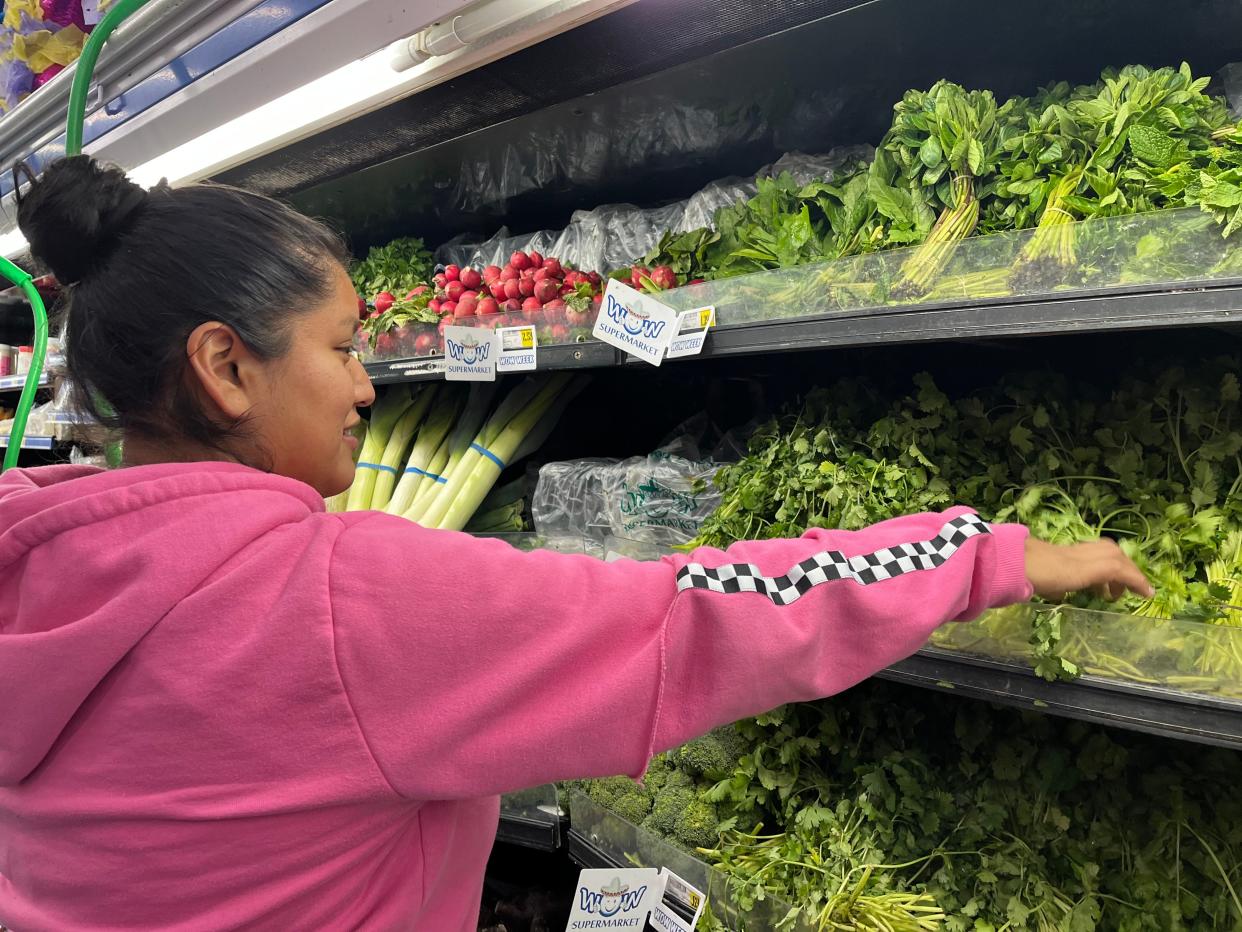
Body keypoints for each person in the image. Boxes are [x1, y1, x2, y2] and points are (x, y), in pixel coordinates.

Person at [0, 157, 1151, 931]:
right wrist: (986, 555)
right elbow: (696, 615)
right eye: (343, 347)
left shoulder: (32, 574)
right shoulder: (335, 604)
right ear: (224, 365)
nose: (366, 383)